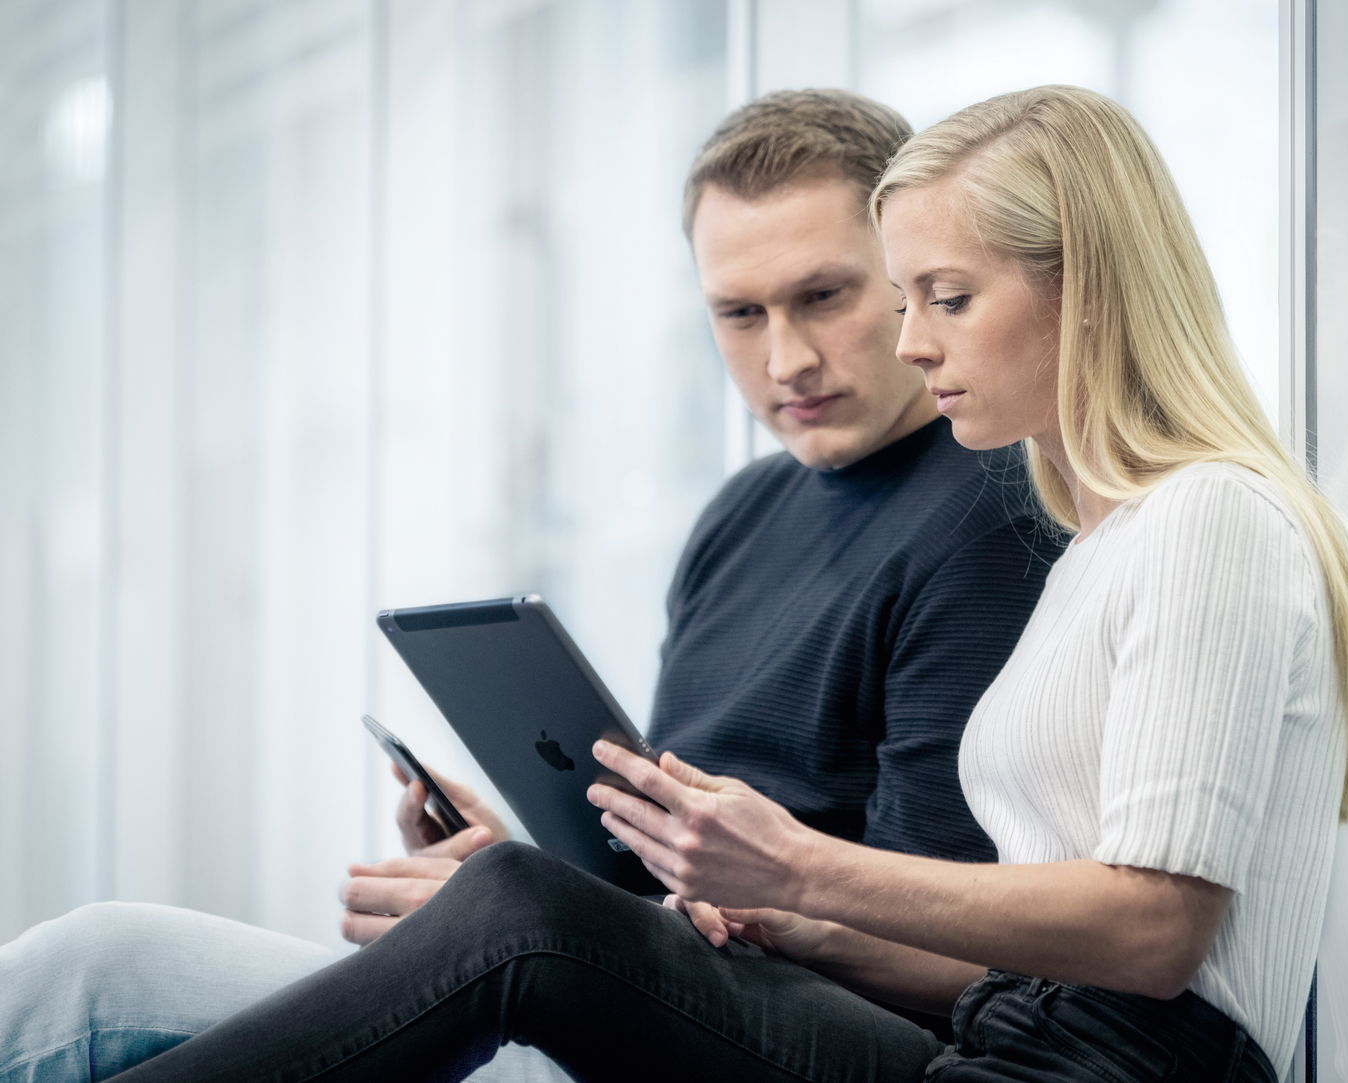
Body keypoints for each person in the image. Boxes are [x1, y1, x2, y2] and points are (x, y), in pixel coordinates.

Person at [102, 83, 1348, 1083]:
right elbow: (1023, 957)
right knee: (505, 907)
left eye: (936, 297)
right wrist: (770, 912)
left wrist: (801, 876)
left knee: (480, 921)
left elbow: (1152, 936)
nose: (910, 339)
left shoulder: (1206, 518)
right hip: (1013, 1036)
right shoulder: (1104, 540)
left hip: (1093, 1067)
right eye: (910, 298)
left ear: (1087, 290)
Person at [0, 89, 1058, 1083]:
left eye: (821, 297)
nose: (785, 358)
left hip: (810, 1032)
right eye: (738, 315)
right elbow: (669, 878)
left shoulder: (991, 510)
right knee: (97, 959)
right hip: (640, 983)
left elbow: (943, 932)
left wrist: (536, 915)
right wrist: (523, 882)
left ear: (909, 280)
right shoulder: (740, 516)